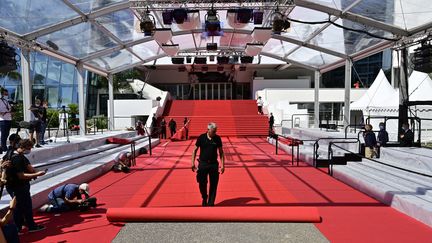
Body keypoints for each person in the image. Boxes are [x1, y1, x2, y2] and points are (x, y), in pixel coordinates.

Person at [5, 139, 46, 233]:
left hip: (12, 186)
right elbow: (21, 175)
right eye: (29, 148)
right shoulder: (17, 158)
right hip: (18, 186)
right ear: (23, 148)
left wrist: (34, 172)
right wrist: (37, 174)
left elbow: (29, 167)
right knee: (25, 206)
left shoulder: (11, 153)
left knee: (18, 206)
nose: (30, 150)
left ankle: (19, 226)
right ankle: (30, 226)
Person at [191, 122, 225, 207]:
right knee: (202, 182)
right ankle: (204, 197)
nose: (215, 133)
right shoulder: (201, 138)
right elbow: (194, 150)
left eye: (215, 131)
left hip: (213, 164)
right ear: (208, 130)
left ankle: (211, 203)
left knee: (214, 184)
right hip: (203, 164)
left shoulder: (217, 138)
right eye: (213, 131)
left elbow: (221, 152)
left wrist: (222, 165)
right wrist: (192, 163)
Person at [0, 88, 13, 154]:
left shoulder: (6, 101)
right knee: (3, 134)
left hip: (9, 119)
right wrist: (2, 113)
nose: (6, 95)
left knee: (7, 134)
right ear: (2, 94)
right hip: (3, 120)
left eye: (7, 94)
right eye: (5, 94)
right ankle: (3, 147)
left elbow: (9, 109)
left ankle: (4, 146)